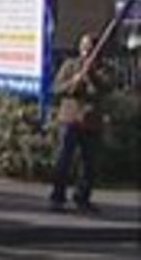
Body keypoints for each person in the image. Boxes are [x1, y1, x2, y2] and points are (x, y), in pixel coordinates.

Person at [49, 34, 112, 213]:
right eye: (84, 47)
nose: (87, 51)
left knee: (89, 164)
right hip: (70, 119)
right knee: (64, 160)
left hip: (91, 122)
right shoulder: (70, 65)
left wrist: (91, 73)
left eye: (91, 48)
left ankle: (82, 197)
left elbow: (106, 88)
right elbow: (56, 88)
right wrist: (73, 82)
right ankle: (57, 197)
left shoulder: (103, 68)